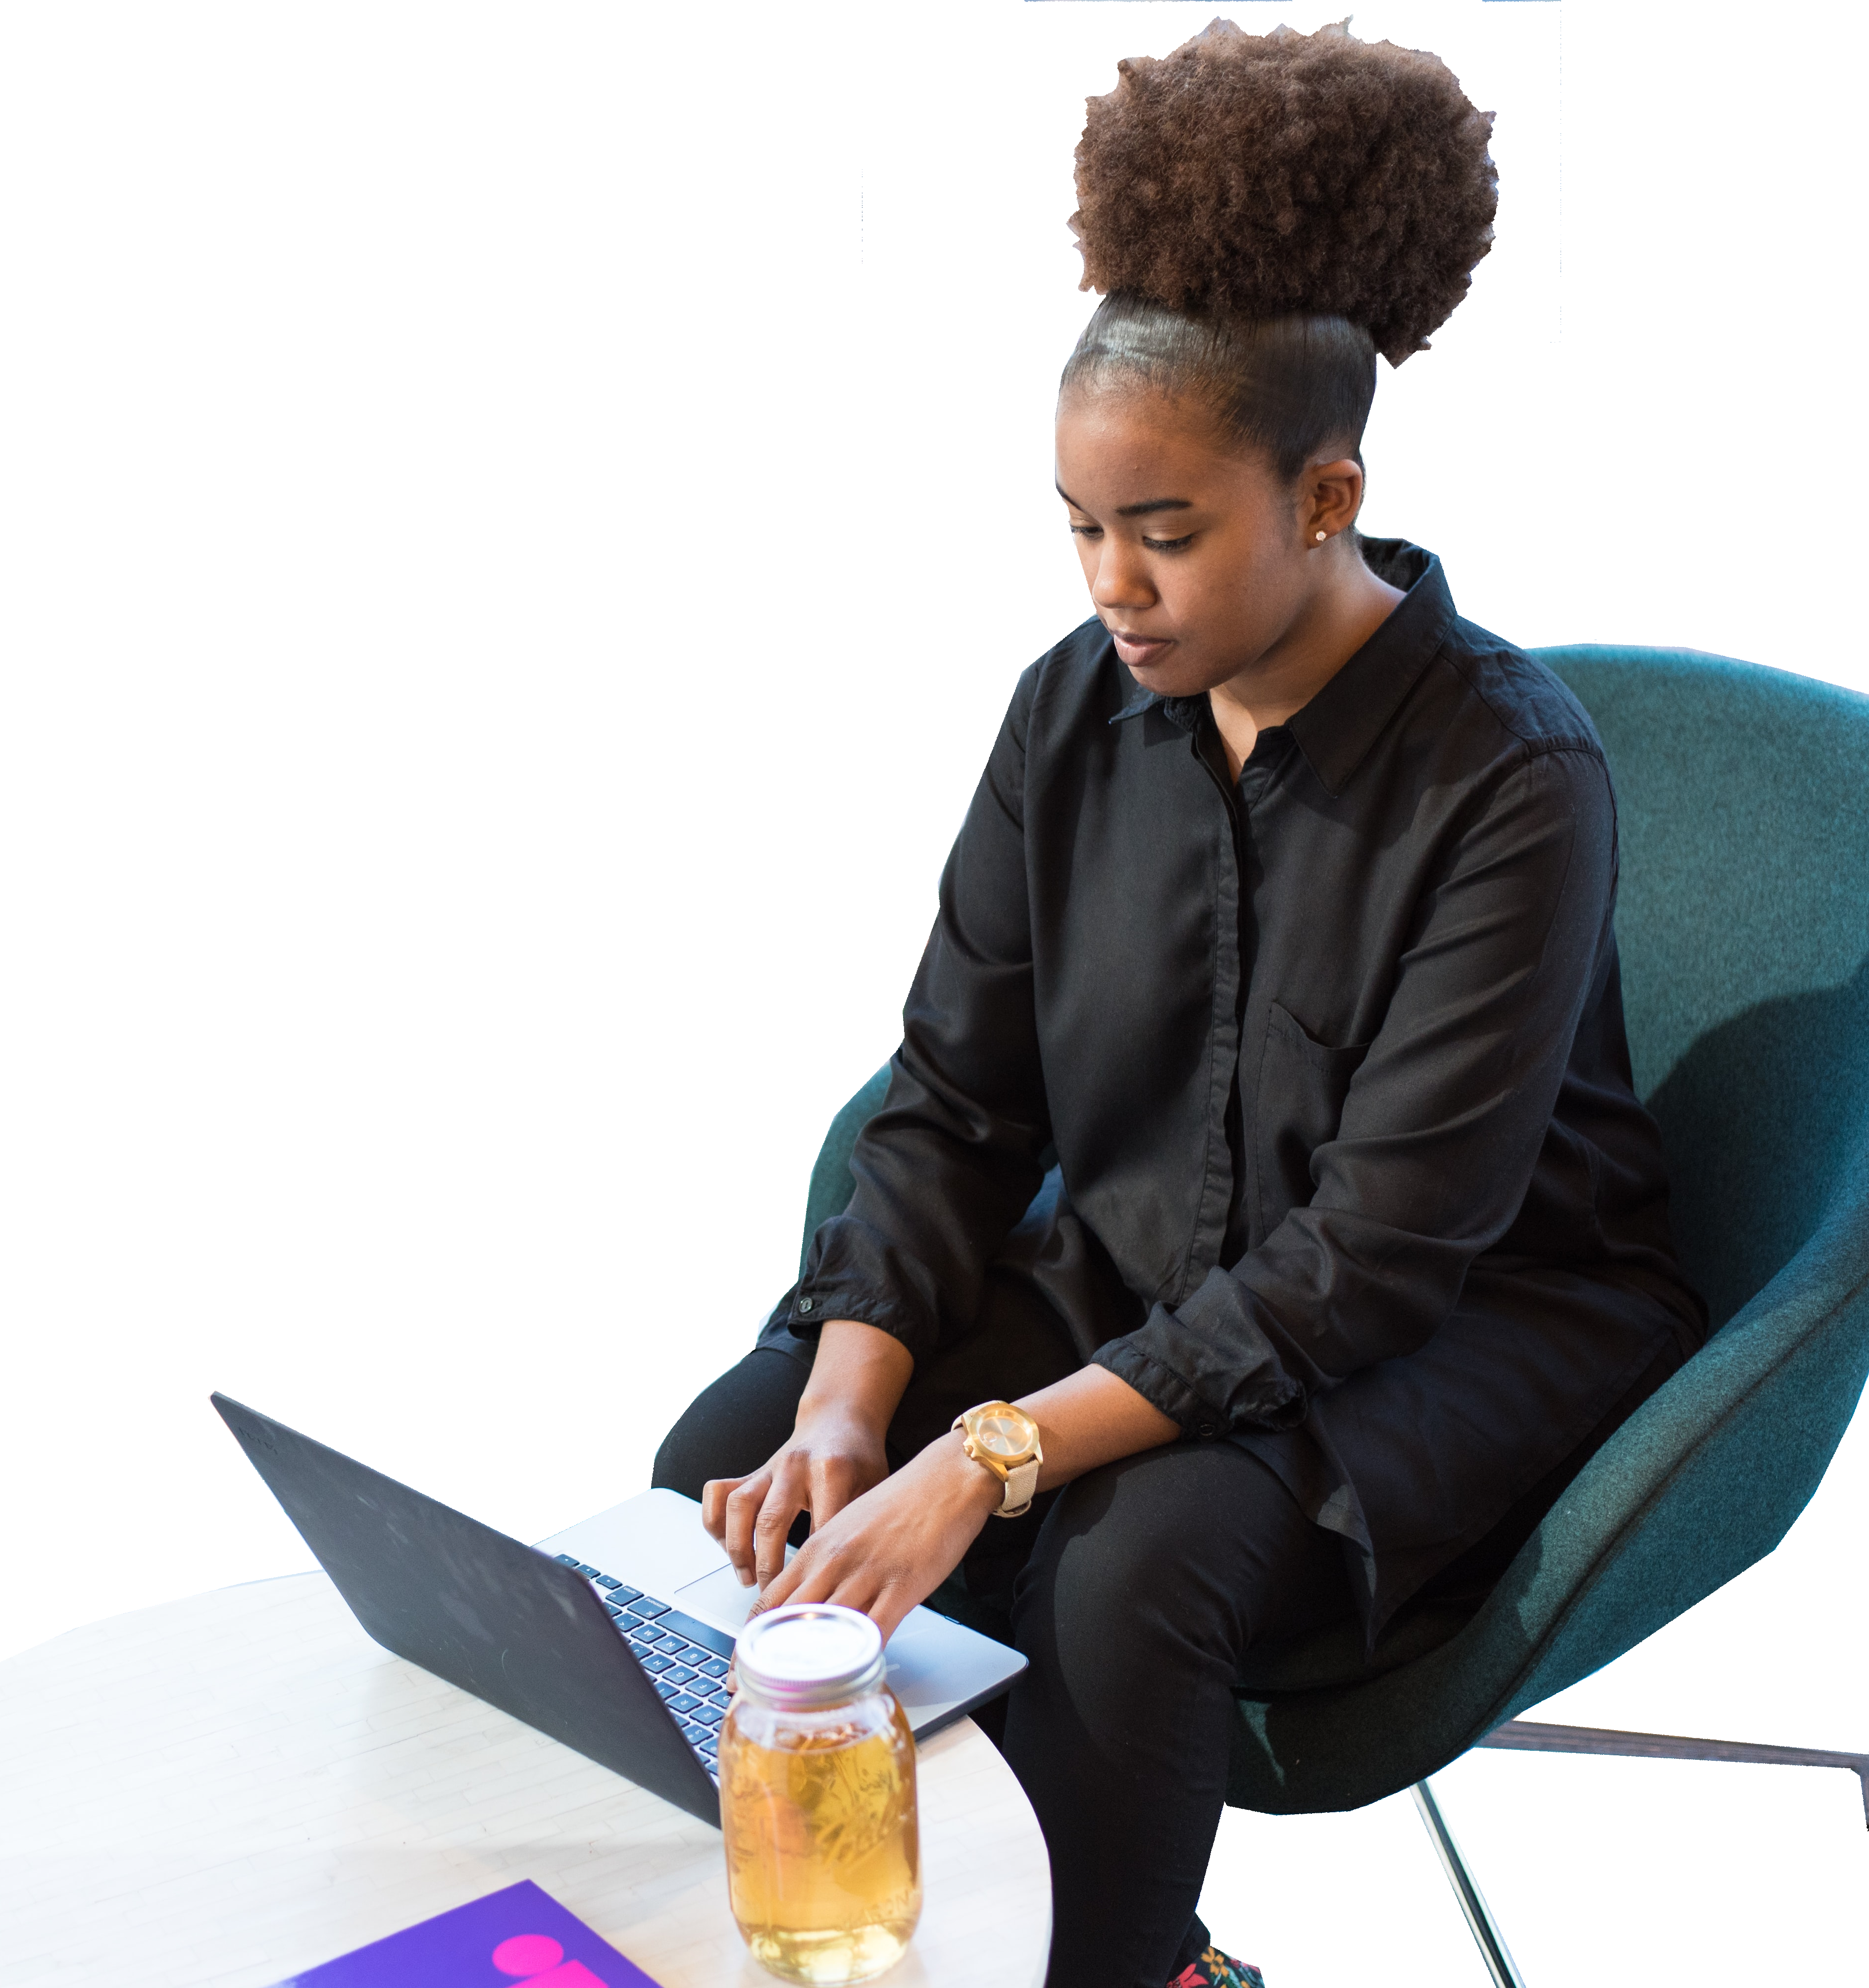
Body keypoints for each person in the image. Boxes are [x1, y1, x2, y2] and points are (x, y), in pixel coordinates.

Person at [653, 22, 1707, 1986]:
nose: (1114, 588)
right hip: (1153, 1261)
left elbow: (1377, 1260)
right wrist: (849, 1399)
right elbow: (953, 1095)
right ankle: (859, 1924)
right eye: (1079, 527)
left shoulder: (1513, 780)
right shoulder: (1072, 709)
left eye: (1167, 533)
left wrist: (987, 1452)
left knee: (1137, 1560)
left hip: (1478, 1304)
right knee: (719, 1459)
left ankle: (1136, 1961)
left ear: (1325, 498)